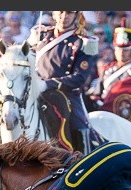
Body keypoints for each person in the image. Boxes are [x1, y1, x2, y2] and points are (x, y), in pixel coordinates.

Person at [29, 10, 100, 154]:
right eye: (60, 12)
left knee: (80, 127)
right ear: (54, 15)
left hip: (66, 96)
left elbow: (79, 78)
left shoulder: (84, 41)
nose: (64, 17)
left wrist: (47, 84)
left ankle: (83, 160)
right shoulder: (40, 35)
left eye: (69, 13)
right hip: (36, 93)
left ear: (76, 15)